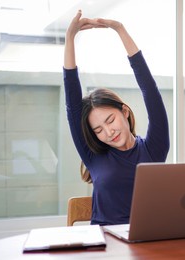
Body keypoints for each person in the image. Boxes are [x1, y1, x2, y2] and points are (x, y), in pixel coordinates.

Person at [63, 10, 170, 225]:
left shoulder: (153, 149)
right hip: (105, 246)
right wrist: (69, 38)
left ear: (125, 112)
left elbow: (150, 91)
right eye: (98, 130)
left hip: (147, 244)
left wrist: (120, 30)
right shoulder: (93, 155)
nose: (108, 132)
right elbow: (72, 102)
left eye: (110, 120)